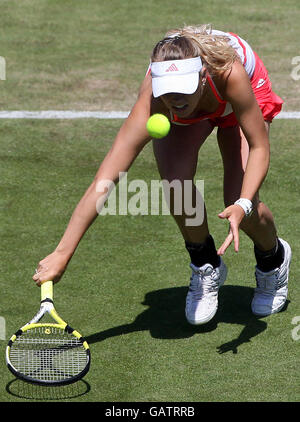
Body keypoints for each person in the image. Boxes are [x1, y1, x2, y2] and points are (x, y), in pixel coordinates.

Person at [33, 24, 292, 325]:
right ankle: (205, 263)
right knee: (176, 187)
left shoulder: (230, 73)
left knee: (239, 199)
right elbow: (104, 181)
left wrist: (244, 204)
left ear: (201, 77)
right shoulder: (157, 101)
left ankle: (273, 260)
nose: (175, 99)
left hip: (236, 94)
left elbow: (259, 147)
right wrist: (62, 253)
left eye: (182, 89)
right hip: (203, 99)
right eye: (167, 91)